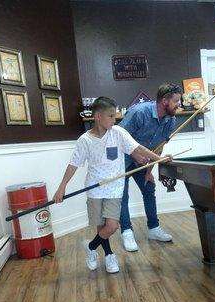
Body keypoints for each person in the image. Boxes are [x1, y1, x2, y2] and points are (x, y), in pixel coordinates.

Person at [53, 97, 164, 274]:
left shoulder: (118, 133)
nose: (115, 120)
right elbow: (73, 164)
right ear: (98, 116)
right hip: (94, 189)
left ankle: (90, 246)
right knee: (101, 227)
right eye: (111, 116)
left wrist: (159, 158)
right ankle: (109, 255)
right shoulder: (85, 140)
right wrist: (62, 187)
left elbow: (138, 148)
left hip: (114, 189)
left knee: (112, 226)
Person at [119, 83, 182, 252]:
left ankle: (153, 229)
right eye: (176, 101)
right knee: (122, 196)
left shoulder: (171, 119)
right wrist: (135, 155)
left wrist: (149, 172)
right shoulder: (139, 112)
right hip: (121, 158)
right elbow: (119, 138)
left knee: (149, 188)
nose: (179, 105)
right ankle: (127, 232)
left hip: (143, 161)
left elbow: (159, 146)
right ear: (164, 101)